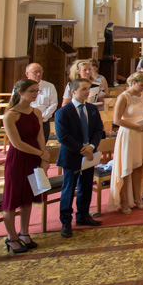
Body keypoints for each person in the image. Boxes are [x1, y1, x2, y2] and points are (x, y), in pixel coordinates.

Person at [1, 79, 52, 254]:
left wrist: (44, 157)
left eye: (37, 91)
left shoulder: (36, 112)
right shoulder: (10, 115)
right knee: (12, 198)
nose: (36, 94)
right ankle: (11, 237)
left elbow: (40, 136)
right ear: (20, 93)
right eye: (32, 91)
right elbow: (17, 143)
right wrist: (40, 153)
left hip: (34, 157)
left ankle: (24, 233)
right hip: (18, 159)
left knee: (28, 197)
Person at [53, 78, 106, 238]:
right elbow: (63, 136)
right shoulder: (63, 112)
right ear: (73, 91)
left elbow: (98, 130)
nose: (87, 92)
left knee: (86, 186)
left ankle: (83, 215)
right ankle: (65, 221)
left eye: (88, 89)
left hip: (89, 154)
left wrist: (91, 147)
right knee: (69, 189)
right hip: (71, 155)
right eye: (83, 89)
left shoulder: (91, 109)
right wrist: (82, 150)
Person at [109, 71, 143, 214]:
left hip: (142, 133)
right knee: (127, 167)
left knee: (139, 166)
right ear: (133, 83)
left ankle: (137, 198)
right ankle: (124, 202)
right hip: (129, 133)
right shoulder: (123, 97)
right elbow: (117, 120)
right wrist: (137, 127)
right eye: (142, 85)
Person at [25, 63, 58, 138]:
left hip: (43, 120)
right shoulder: (20, 86)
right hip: (26, 120)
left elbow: (53, 104)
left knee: (42, 142)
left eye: (40, 71)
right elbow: (16, 103)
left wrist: (42, 117)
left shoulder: (49, 86)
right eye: (35, 72)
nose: (39, 74)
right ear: (27, 74)